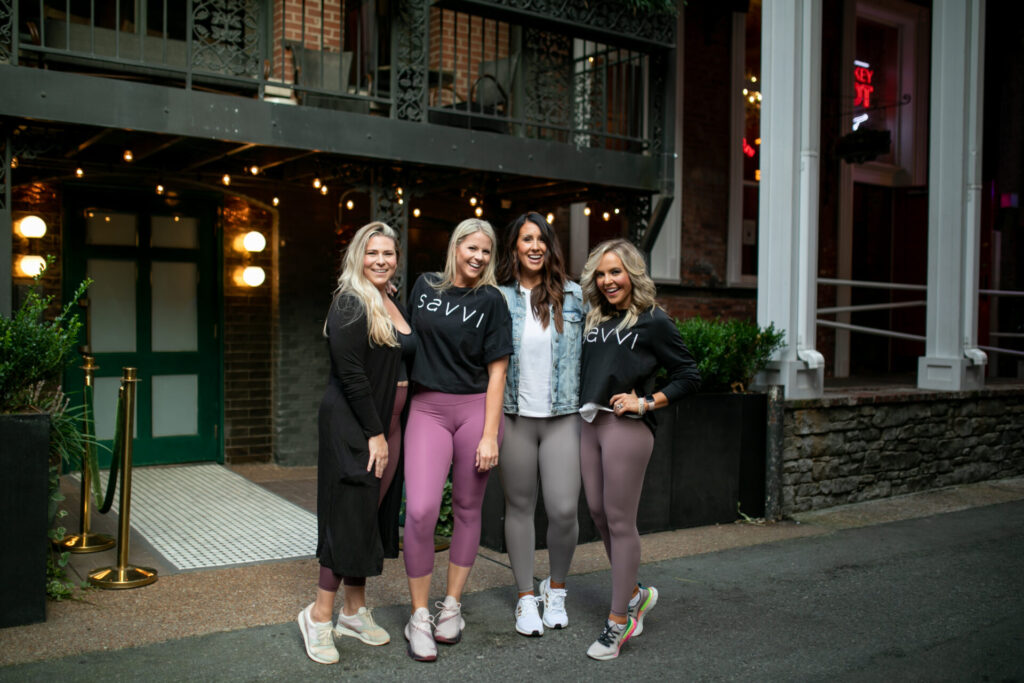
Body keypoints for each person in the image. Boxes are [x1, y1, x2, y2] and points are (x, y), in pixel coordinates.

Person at [298, 222, 416, 665]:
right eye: (372, 253)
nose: (381, 260)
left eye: (388, 253)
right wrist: (375, 432)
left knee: (368, 515)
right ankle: (319, 615)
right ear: (357, 257)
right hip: (357, 426)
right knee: (347, 517)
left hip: (389, 425)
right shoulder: (350, 302)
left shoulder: (389, 299)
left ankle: (353, 610)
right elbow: (350, 374)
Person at [577, 238, 701, 661]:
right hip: (590, 423)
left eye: (616, 272)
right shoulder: (593, 317)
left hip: (626, 428)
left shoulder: (653, 321)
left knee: (619, 518)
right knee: (596, 511)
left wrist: (646, 402)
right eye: (602, 273)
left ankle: (619, 621)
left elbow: (689, 374)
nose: (609, 280)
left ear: (632, 274)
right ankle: (635, 594)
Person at [402, 218, 513, 662]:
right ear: (456, 246)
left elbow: (498, 371)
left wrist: (490, 435)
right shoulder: (424, 286)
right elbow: (404, 338)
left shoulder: (492, 301)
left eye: (486, 251)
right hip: (427, 407)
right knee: (422, 509)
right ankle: (418, 616)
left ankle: (451, 607)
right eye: (472, 247)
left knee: (468, 508)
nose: (479, 257)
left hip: (474, 411)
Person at [495, 212, 585, 637]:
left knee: (565, 509)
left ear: (550, 247)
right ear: (514, 247)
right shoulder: (498, 298)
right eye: (525, 239)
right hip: (514, 416)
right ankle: (526, 597)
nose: (533, 246)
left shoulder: (574, 296)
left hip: (562, 417)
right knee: (520, 508)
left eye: (541, 240)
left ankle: (557, 587)